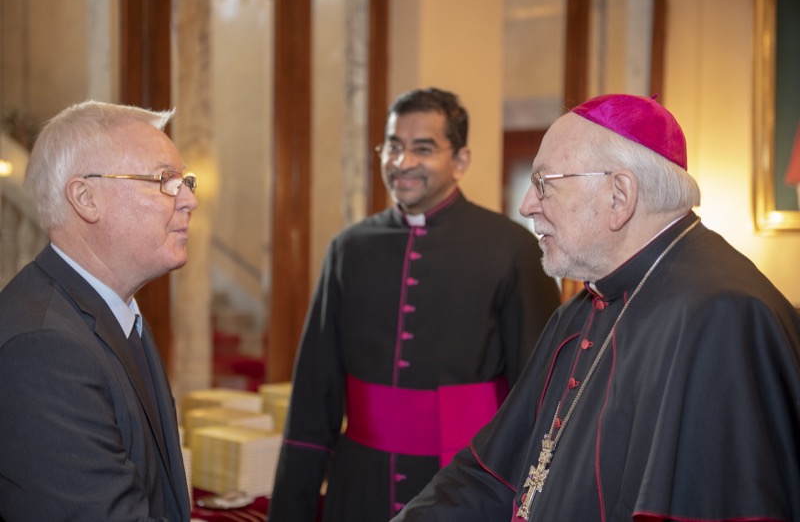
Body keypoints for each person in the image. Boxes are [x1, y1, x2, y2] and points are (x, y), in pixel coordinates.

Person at [392, 93, 800, 522]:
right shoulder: (582, 307)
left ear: (619, 195)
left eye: (544, 183)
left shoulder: (723, 317)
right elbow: (493, 476)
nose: (527, 205)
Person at [268, 87, 561, 521]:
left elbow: (539, 400)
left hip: (468, 488)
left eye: (423, 149)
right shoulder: (349, 249)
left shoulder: (512, 249)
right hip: (359, 488)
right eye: (393, 146)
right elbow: (313, 399)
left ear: (460, 160)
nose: (402, 162)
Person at [0, 101, 198, 521]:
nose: (189, 201)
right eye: (165, 180)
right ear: (85, 198)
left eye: (186, 182)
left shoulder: (116, 310)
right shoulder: (43, 347)